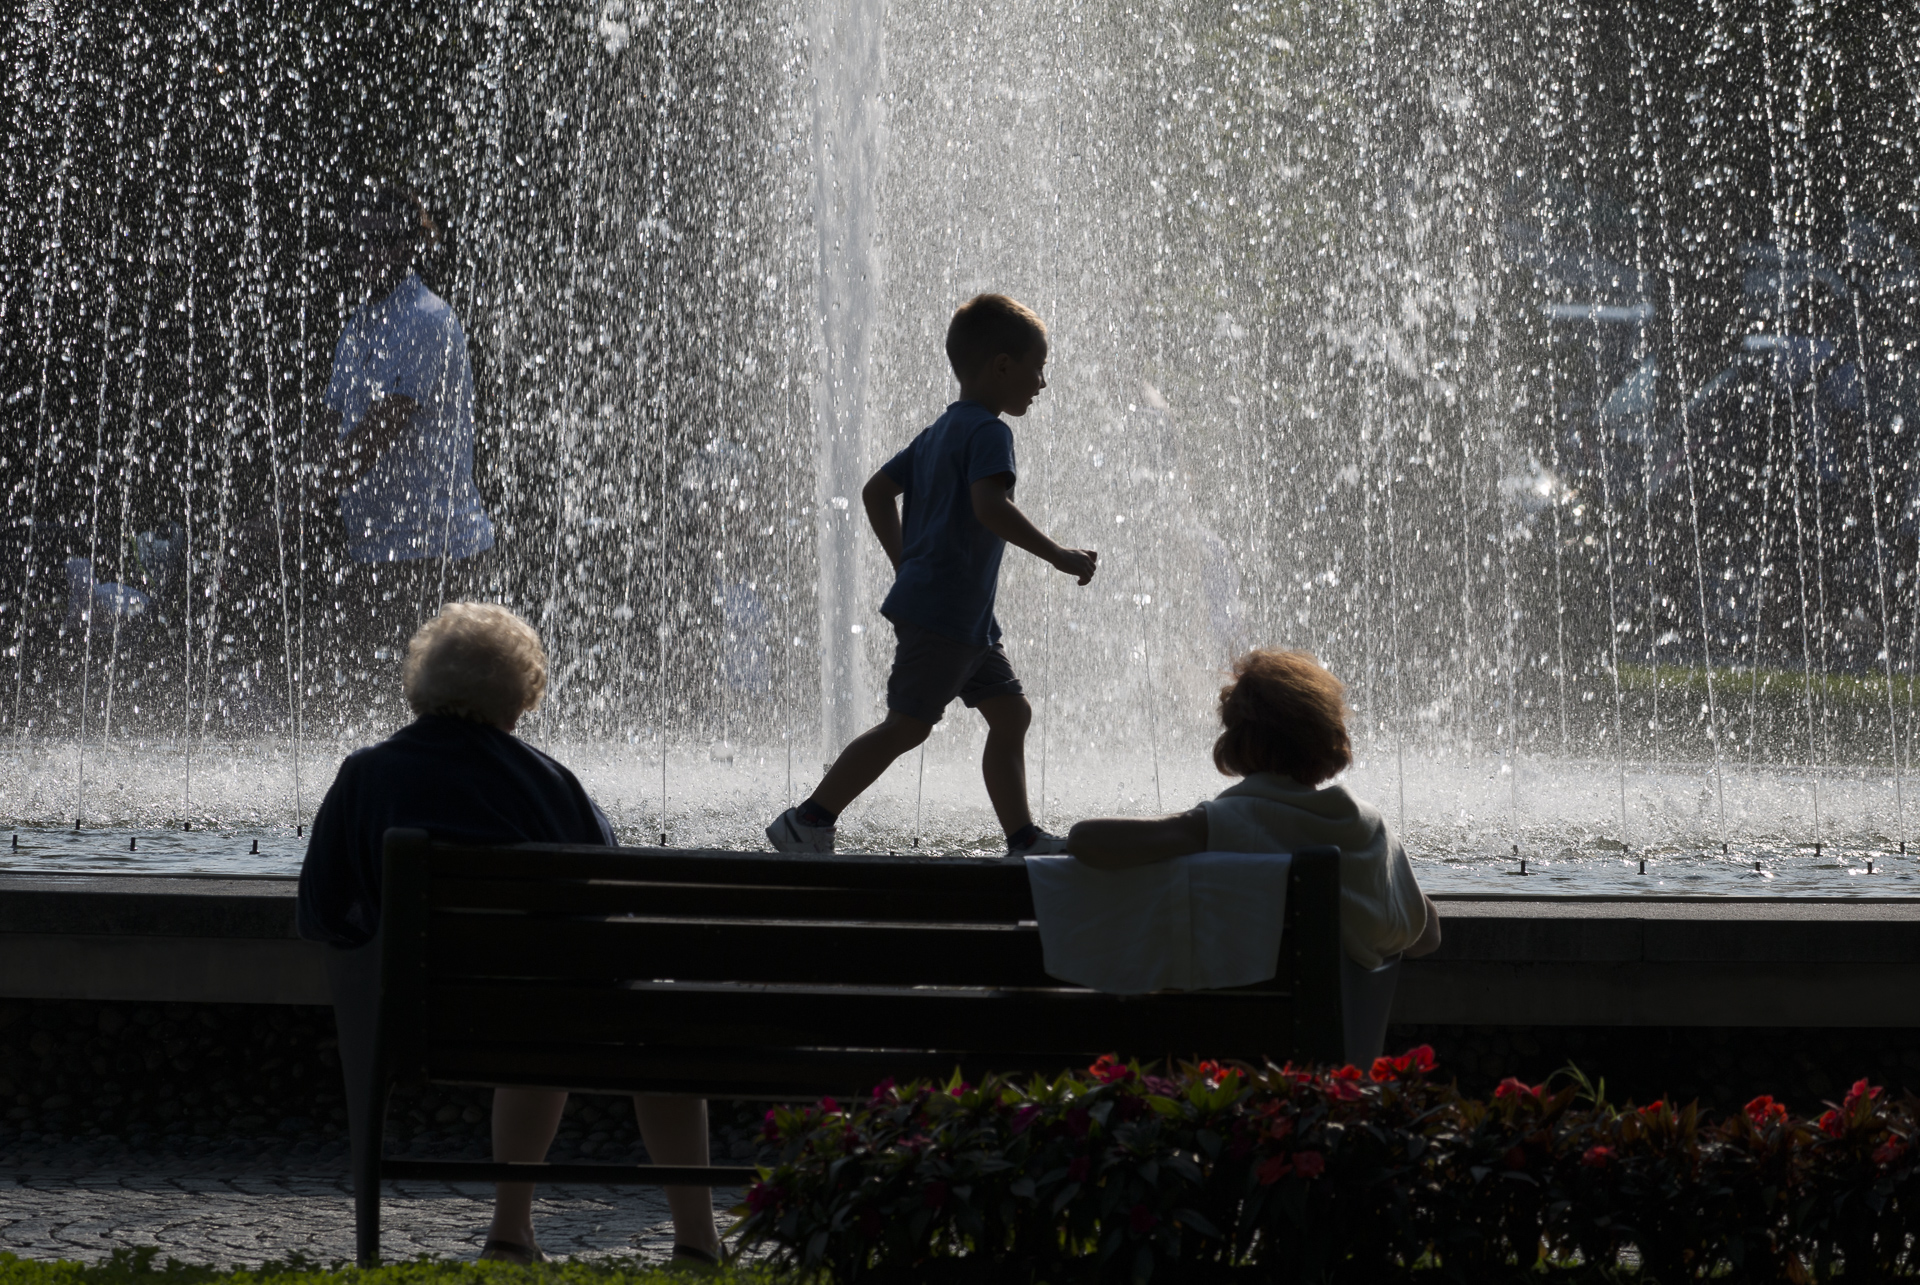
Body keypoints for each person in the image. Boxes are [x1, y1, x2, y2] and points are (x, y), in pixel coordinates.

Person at [295, 603, 722, 1266]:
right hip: (537, 1018)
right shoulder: (551, 784)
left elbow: (322, 909)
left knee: (536, 1009)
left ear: (424, 682)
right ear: (520, 696)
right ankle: (695, 1239)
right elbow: (603, 911)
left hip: (414, 1021)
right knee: (618, 1019)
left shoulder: (365, 776)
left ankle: (510, 1236)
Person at [765, 293, 1099, 856]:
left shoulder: (940, 431)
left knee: (1010, 712)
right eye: (1037, 369)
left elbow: (876, 492)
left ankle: (1022, 838)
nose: (1041, 384)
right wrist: (1060, 556)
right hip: (946, 616)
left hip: (963, 618)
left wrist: (906, 562)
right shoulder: (990, 433)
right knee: (908, 725)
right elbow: (991, 508)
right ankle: (808, 818)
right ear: (1001, 365)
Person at [1066, 648, 1441, 969]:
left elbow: (1086, 839)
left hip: (1239, 1033)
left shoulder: (1226, 824)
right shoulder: (1368, 828)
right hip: (1341, 1039)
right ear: (1329, 740)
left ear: (1235, 740)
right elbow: (1428, 935)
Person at [314, 185, 496, 677]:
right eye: (358, 241)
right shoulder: (359, 324)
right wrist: (292, 496)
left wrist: (303, 502)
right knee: (374, 703)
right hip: (376, 547)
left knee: (436, 710)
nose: (366, 253)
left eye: (382, 240)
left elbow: (379, 430)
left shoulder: (426, 318)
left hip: (436, 553)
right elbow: (332, 425)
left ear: (407, 246)